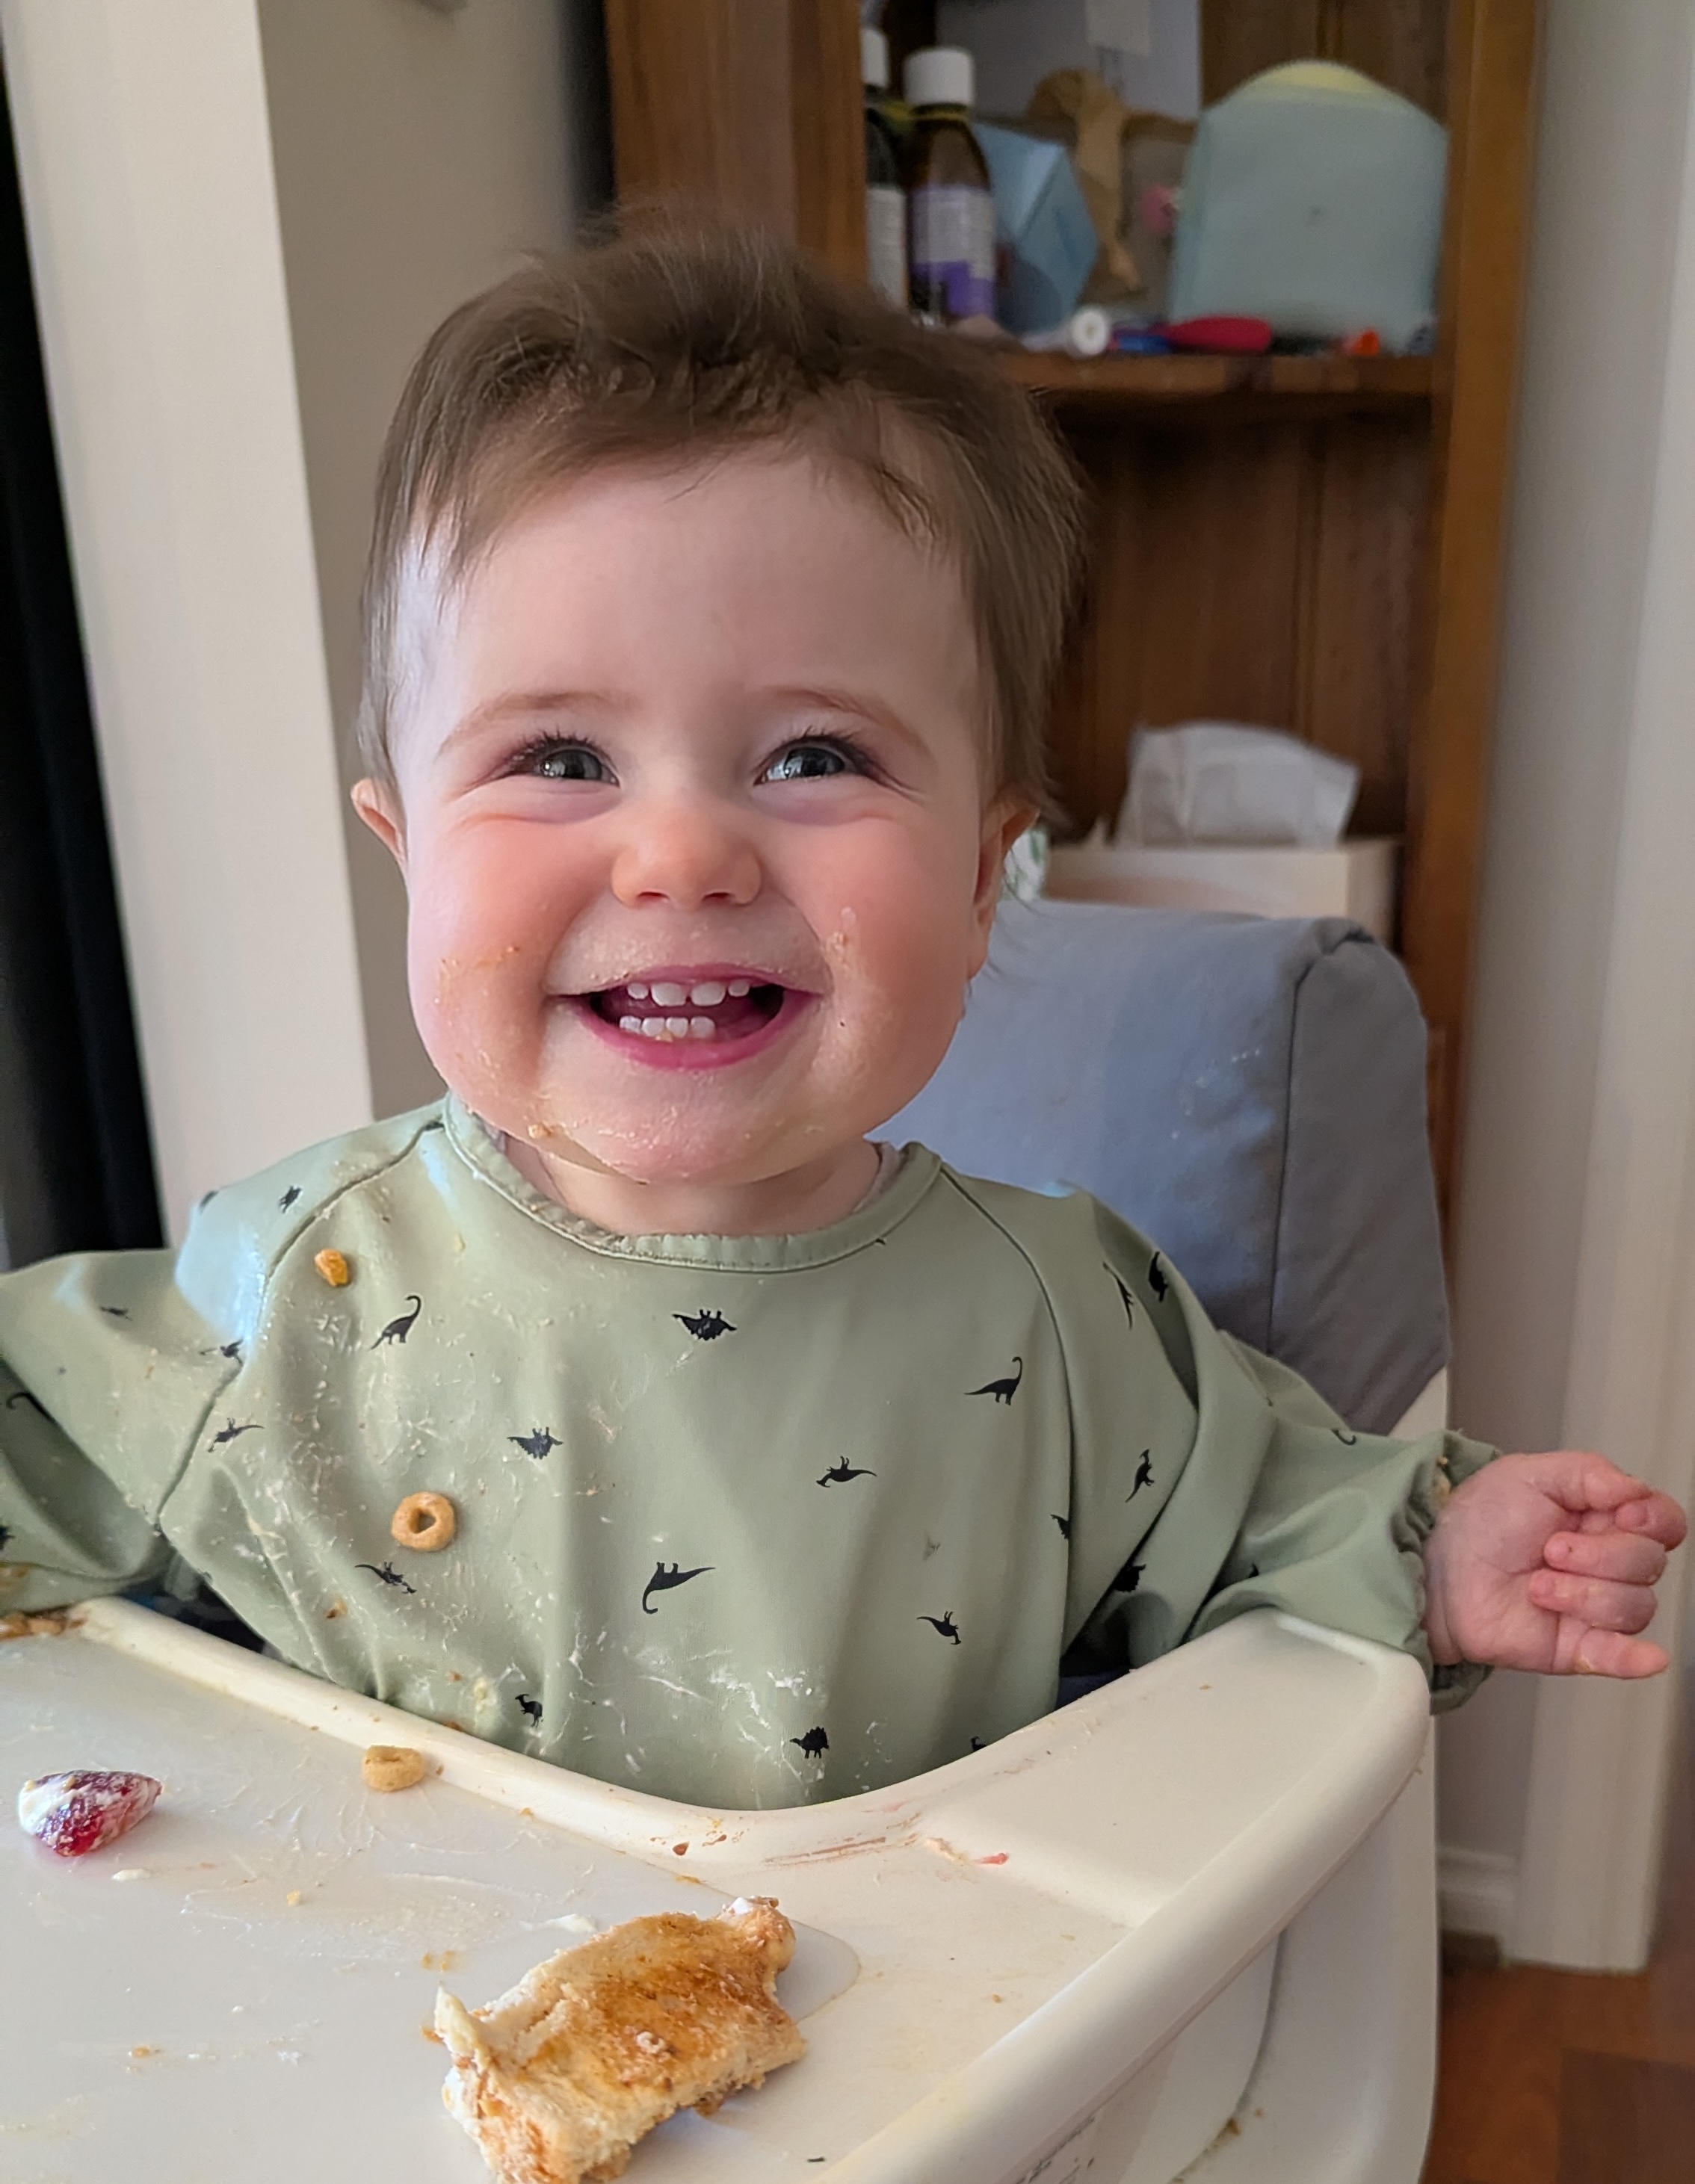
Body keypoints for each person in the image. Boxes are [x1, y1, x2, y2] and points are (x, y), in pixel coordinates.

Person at [0, 224, 1682, 1810]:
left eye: (815, 756)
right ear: (406, 851)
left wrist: (1445, 1555)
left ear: (979, 880)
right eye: (559, 758)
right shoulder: (289, 1288)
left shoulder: (1068, 1323)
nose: (678, 855)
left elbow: (1269, 1514)